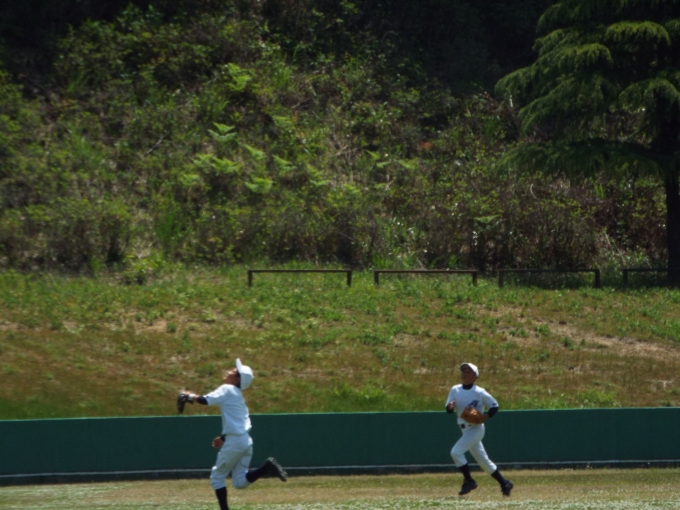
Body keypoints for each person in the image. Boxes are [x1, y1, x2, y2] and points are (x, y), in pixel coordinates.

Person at [181, 359, 287, 510]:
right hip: (245, 441)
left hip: (236, 441)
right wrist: (224, 438)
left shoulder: (227, 389)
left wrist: (188, 396)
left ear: (237, 379)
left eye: (234, 371)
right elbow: (239, 422)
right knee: (239, 482)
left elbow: (205, 400)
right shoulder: (238, 396)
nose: (229, 371)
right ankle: (266, 468)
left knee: (217, 478)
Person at [445, 362, 513, 497]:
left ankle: (469, 481)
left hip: (476, 429)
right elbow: (449, 409)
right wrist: (450, 407)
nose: (464, 374)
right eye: (463, 371)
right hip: (464, 429)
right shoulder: (455, 389)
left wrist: (486, 416)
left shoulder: (479, 392)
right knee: (483, 461)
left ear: (475, 376)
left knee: (456, 452)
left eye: (468, 372)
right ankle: (505, 483)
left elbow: (494, 405)